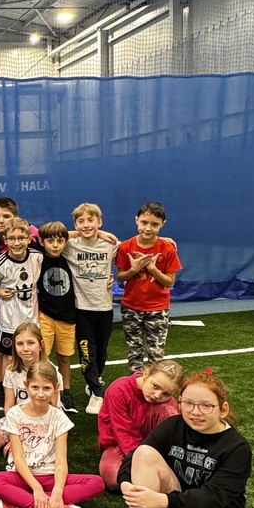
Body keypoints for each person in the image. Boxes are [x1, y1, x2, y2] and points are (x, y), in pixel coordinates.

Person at [92, 370, 251, 508]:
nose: (195, 412)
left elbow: (214, 497)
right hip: (171, 507)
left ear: (223, 409)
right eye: (188, 404)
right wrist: (126, 482)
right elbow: (136, 455)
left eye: (206, 406)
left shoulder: (237, 448)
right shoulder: (173, 425)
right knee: (145, 453)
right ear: (179, 403)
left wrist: (161, 500)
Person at [0, 360, 104, 508]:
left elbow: (61, 462)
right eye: (35, 387)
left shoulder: (59, 417)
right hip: (22, 476)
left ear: (56, 388)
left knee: (96, 483)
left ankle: (20, 503)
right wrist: (36, 488)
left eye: (46, 388)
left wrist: (57, 492)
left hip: (50, 476)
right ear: (26, 385)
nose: (40, 394)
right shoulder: (14, 415)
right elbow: (18, 458)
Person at [63, 202, 117, 415]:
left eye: (91, 220)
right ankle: (96, 392)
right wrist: (81, 232)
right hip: (81, 308)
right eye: (81, 221)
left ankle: (95, 378)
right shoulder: (70, 244)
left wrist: (164, 240)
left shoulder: (110, 244)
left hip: (104, 308)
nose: (86, 225)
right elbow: (41, 235)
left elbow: (138, 244)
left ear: (99, 221)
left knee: (102, 351)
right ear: (75, 224)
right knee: (87, 351)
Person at [115, 202, 183, 372]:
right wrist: (134, 269)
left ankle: (155, 384)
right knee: (134, 352)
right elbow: (120, 278)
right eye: (144, 222)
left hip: (158, 308)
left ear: (162, 225)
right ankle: (136, 383)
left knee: (156, 355)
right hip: (131, 307)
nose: (148, 228)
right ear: (136, 220)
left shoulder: (167, 248)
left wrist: (152, 269)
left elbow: (170, 282)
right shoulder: (125, 247)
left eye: (154, 224)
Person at [97, 360, 183, 490]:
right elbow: (123, 432)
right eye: (155, 386)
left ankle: (162, 466)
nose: (157, 395)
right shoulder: (119, 389)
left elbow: (176, 429)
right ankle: (154, 474)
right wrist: (140, 461)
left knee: (168, 410)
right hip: (118, 443)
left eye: (166, 393)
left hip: (151, 443)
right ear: (146, 374)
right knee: (113, 477)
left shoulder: (167, 401)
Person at [0, 320, 50, 464]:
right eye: (20, 344)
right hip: (15, 422)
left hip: (43, 426)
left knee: (19, 458)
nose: (25, 348)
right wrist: (16, 435)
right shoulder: (11, 371)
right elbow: (8, 407)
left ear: (41, 345)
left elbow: (53, 411)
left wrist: (23, 439)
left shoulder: (51, 373)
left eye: (31, 343)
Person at [0, 215, 42, 389]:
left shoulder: (38, 257)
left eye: (21, 238)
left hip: (31, 318)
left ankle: (33, 388)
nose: (17, 243)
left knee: (33, 355)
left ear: (29, 238)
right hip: (9, 319)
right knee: (10, 358)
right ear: (5, 240)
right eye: (11, 238)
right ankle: (9, 392)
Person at [35, 221, 78, 412]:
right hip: (45, 316)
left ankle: (65, 392)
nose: (55, 245)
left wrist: (100, 234)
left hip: (68, 318)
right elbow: (32, 234)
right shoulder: (38, 257)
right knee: (42, 357)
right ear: (42, 242)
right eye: (50, 241)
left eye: (60, 241)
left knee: (64, 357)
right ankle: (44, 391)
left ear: (65, 243)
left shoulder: (69, 257)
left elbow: (78, 235)